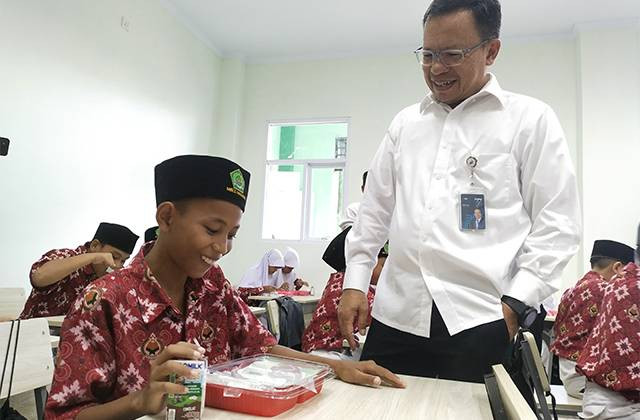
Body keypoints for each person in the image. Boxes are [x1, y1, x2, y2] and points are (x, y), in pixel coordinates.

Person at [45, 155, 404, 419]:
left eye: (231, 235)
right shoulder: (103, 299)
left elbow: (262, 347)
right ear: (167, 217)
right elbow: (63, 416)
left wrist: (333, 367)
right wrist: (140, 401)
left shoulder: (212, 286)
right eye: (212, 230)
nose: (222, 247)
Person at [338, 0, 581, 383]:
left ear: (491, 50)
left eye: (452, 54)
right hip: (395, 315)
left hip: (481, 320)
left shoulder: (529, 120)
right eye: (428, 54)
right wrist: (355, 282)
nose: (436, 68)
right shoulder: (406, 124)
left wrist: (516, 304)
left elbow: (558, 223)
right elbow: (373, 214)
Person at [551, 240, 634, 398]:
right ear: (617, 268)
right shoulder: (608, 291)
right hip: (586, 381)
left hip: (571, 376)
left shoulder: (574, 289)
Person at [576, 227, 640, 419]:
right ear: (616, 266)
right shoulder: (609, 287)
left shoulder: (617, 283)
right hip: (619, 405)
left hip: (597, 392)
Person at [19, 222, 138, 319]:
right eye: (114, 256)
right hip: (33, 336)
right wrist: (94, 257)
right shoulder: (66, 256)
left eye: (123, 261)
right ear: (95, 246)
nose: (117, 265)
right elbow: (39, 277)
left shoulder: (109, 277)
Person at [303, 227, 387, 359]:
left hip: (344, 349)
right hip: (328, 353)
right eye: (383, 266)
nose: (385, 272)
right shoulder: (346, 287)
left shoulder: (354, 284)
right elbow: (376, 314)